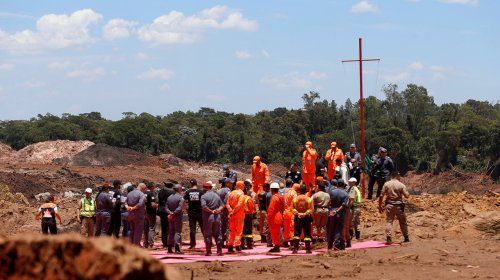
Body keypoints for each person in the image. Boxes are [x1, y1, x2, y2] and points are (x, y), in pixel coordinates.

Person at [378, 171, 410, 245]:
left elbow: (381, 196)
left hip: (389, 205)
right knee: (402, 222)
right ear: (397, 176)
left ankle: (389, 238)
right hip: (399, 206)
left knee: (389, 222)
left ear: (391, 176)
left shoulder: (386, 184)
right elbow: (407, 196)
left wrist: (380, 207)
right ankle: (406, 238)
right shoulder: (401, 185)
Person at [201, 181, 225, 256]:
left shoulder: (203, 196)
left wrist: (211, 211)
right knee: (218, 234)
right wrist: (219, 210)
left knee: (208, 234)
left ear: (204, 188)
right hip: (217, 216)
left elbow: (204, 207)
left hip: (208, 217)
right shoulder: (216, 195)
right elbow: (222, 205)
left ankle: (208, 252)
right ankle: (219, 251)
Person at [291, 184, 314, 254]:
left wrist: (298, 213)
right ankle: (308, 249)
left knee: (297, 233)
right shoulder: (309, 199)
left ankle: (295, 249)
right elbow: (311, 209)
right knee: (307, 233)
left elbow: (292, 208)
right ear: (305, 191)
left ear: (299, 190)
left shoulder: (295, 199)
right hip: (306, 218)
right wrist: (305, 214)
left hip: (297, 218)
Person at [327, 178, 349, 250]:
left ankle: (329, 245)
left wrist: (331, 210)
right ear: (343, 185)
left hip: (332, 212)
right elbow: (343, 205)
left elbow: (329, 202)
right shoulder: (345, 194)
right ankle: (336, 245)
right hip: (340, 214)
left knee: (331, 229)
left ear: (337, 184)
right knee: (338, 229)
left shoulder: (332, 192)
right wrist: (337, 211)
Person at [226, 181, 245, 253]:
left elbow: (227, 204)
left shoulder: (231, 193)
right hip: (239, 215)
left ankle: (230, 246)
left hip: (231, 215)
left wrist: (230, 211)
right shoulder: (241, 194)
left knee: (232, 231)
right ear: (242, 186)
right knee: (238, 231)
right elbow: (239, 205)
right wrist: (233, 211)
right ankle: (237, 246)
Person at [184, 179, 204, 249]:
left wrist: (186, 208)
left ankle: (192, 244)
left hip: (191, 212)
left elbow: (183, 200)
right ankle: (207, 242)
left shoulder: (188, 192)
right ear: (196, 183)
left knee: (192, 229)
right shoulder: (200, 192)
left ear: (190, 184)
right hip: (200, 211)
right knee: (203, 227)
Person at [167, 184, 185, 254]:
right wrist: (173, 213)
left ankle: (169, 248)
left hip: (170, 216)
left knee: (171, 231)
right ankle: (177, 248)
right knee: (177, 232)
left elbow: (166, 206)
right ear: (179, 189)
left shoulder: (169, 197)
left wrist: (170, 213)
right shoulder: (180, 198)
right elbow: (180, 208)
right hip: (177, 216)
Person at [267, 182, 284, 253]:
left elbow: (271, 209)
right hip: (279, 216)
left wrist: (268, 218)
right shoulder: (280, 197)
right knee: (277, 232)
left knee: (274, 233)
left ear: (271, 189)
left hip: (274, 217)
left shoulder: (274, 198)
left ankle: (276, 247)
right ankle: (277, 246)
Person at [157, 180, 175, 248]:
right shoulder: (171, 192)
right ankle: (170, 242)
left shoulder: (160, 191)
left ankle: (164, 242)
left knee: (164, 227)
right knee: (170, 227)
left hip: (162, 210)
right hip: (169, 210)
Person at [282, 183, 298, 247]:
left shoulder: (286, 192)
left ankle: (285, 241)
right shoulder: (294, 193)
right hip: (291, 212)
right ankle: (292, 241)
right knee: (292, 227)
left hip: (285, 211)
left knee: (286, 227)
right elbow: (295, 202)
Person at [217, 178, 232, 247]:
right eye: (229, 182)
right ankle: (227, 242)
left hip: (220, 211)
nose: (231, 184)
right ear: (226, 183)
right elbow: (226, 201)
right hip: (226, 210)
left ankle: (221, 242)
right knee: (227, 227)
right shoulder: (227, 191)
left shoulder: (218, 191)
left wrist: (219, 209)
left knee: (221, 227)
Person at [143, 182, 158, 249]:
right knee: (151, 228)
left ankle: (145, 243)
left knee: (145, 228)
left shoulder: (143, 193)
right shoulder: (151, 194)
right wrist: (158, 205)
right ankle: (151, 244)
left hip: (144, 213)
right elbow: (153, 205)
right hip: (151, 213)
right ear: (151, 187)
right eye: (153, 187)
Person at [241, 185, 255, 250]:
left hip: (240, 215)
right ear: (246, 191)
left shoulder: (240, 198)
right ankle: (249, 245)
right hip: (248, 215)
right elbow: (252, 208)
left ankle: (242, 244)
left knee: (242, 230)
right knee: (248, 230)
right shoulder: (248, 198)